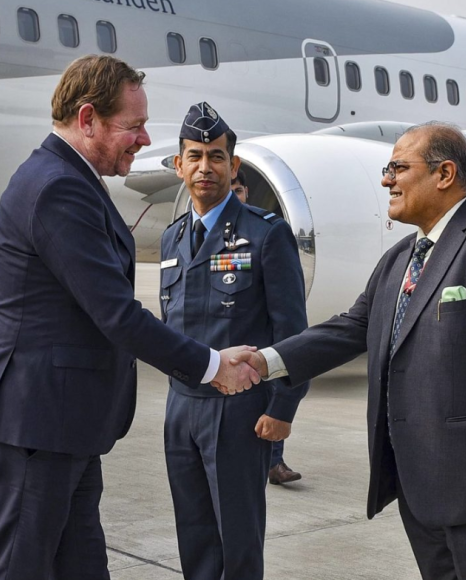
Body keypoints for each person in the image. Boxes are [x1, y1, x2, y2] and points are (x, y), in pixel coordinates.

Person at [234, 122, 466, 580]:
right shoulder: (401, 256)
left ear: (445, 174)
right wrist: (266, 361)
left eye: (399, 168)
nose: (387, 180)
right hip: (425, 494)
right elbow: (353, 327)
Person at [0, 57, 257, 580]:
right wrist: (212, 366)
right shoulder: (57, 187)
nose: (144, 139)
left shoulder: (69, 178)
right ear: (88, 118)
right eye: (133, 126)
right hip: (36, 428)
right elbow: (116, 314)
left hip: (64, 427)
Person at [160, 102, 309, 580]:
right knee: (194, 536)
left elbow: (293, 333)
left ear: (233, 164)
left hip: (238, 412)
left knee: (238, 542)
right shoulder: (171, 239)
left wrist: (283, 408)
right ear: (179, 164)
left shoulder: (266, 235)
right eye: (195, 156)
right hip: (181, 408)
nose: (205, 167)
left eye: (216, 156)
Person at [232, 169, 303, 485]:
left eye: (238, 191)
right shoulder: (188, 235)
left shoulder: (267, 232)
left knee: (273, 392)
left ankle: (275, 460)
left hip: (265, 344)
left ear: (247, 192)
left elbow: (290, 318)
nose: (233, 198)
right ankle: (273, 461)